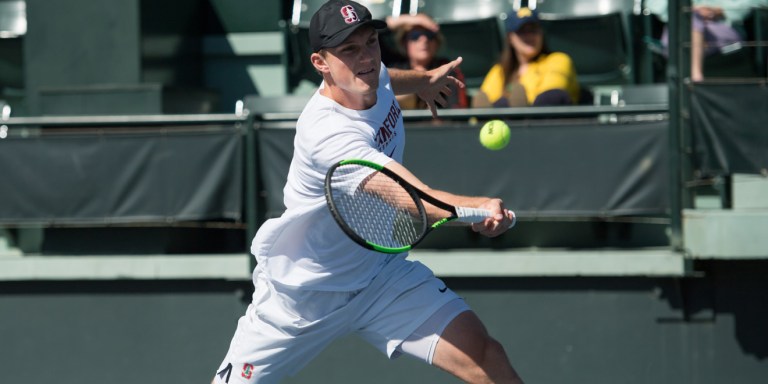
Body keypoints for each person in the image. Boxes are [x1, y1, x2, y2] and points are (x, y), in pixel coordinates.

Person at [211, 1, 523, 383]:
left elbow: (390, 77)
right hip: (305, 297)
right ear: (320, 63)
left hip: (380, 276)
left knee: (483, 353)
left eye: (371, 42)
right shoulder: (327, 134)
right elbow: (413, 199)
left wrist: (423, 81)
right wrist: (478, 208)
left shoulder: (370, 75)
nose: (366, 58)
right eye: (349, 50)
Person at [474, 7, 581, 108]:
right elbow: (485, 100)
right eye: (522, 32)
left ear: (541, 34)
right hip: (507, 124)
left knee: (553, 96)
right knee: (497, 105)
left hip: (549, 123)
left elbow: (549, 100)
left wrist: (515, 105)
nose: (529, 36)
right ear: (510, 38)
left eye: (533, 30)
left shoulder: (558, 60)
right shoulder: (499, 71)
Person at [645, 0, 767, 81]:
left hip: (721, 29)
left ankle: (695, 77)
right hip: (681, 29)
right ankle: (696, 76)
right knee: (693, 17)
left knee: (693, 20)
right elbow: (656, 7)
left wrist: (719, 10)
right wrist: (687, 9)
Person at [386, 13, 469, 110]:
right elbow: (375, 31)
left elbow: (458, 111)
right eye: (415, 36)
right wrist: (416, 19)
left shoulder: (448, 70)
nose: (424, 40)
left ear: (437, 42)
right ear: (404, 42)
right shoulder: (395, 69)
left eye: (430, 36)